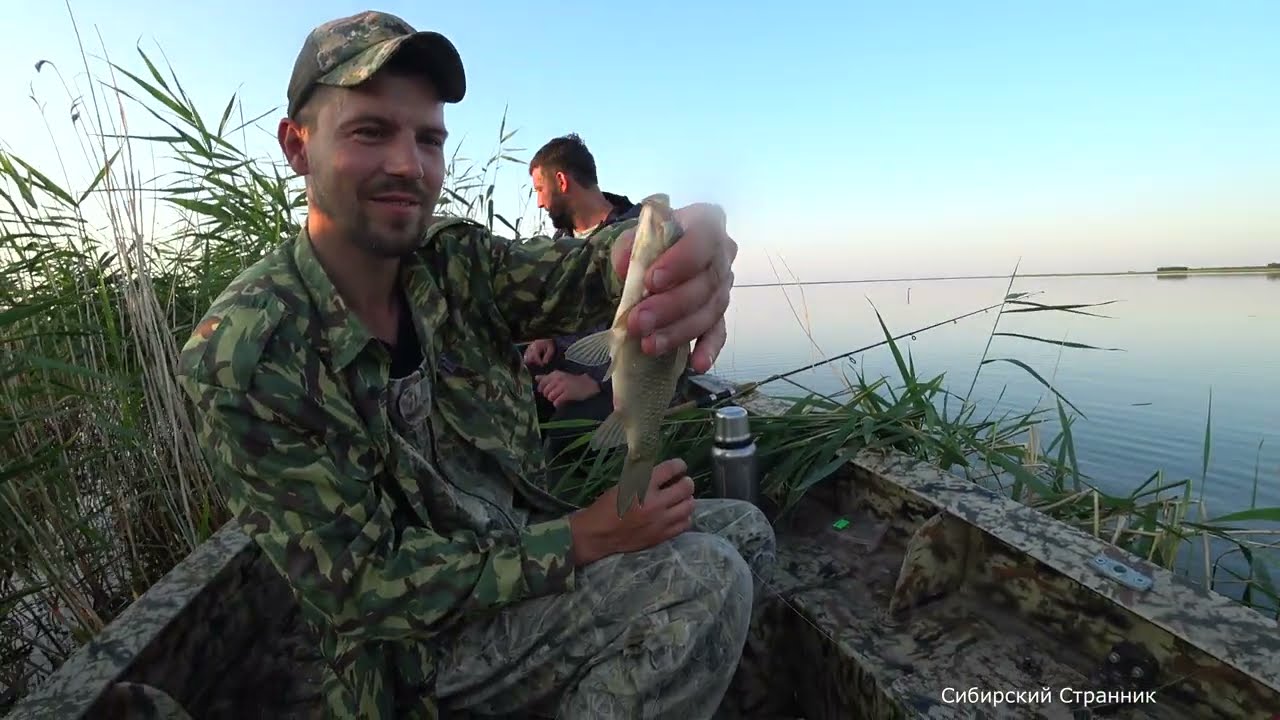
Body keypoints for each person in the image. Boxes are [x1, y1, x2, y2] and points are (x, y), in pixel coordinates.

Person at [174, 10, 774, 720]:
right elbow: (366, 588)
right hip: (415, 654)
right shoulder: (247, 351)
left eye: (428, 139)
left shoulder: (452, 262)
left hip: (521, 551)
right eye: (370, 131)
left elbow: (583, 271)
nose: (408, 164)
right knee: (706, 581)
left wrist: (673, 251)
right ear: (296, 145)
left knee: (745, 532)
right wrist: (582, 538)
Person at [522, 133, 644, 457]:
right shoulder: (561, 240)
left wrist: (593, 383)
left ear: (561, 181)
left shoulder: (638, 236)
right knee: (509, 396)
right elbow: (557, 303)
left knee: (562, 437)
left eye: (539, 189)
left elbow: (660, 336)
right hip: (562, 368)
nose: (538, 202)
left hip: (620, 384)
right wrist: (544, 336)